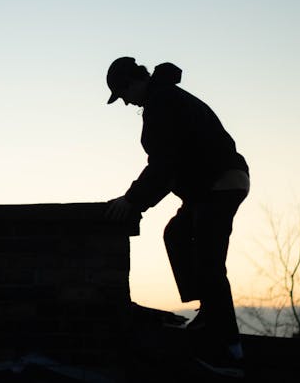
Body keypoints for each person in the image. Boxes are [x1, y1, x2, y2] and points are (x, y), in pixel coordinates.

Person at [103, 56, 249, 378]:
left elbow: (164, 166)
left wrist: (132, 201)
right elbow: (169, 165)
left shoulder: (162, 104)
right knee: (177, 234)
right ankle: (209, 313)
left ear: (134, 81)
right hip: (207, 187)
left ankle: (230, 353)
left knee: (210, 263)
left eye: (123, 94)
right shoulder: (164, 100)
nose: (126, 102)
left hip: (220, 183)